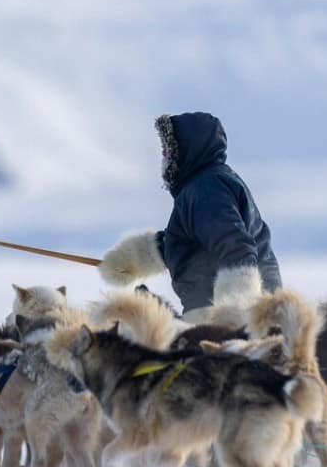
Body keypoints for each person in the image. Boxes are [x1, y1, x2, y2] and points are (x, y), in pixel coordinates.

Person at [98, 111, 282, 315]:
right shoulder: (202, 187)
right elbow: (189, 244)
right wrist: (131, 260)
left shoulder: (207, 190)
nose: (164, 156)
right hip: (222, 315)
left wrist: (233, 316)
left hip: (232, 320)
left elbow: (234, 247)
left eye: (168, 148)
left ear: (187, 149)